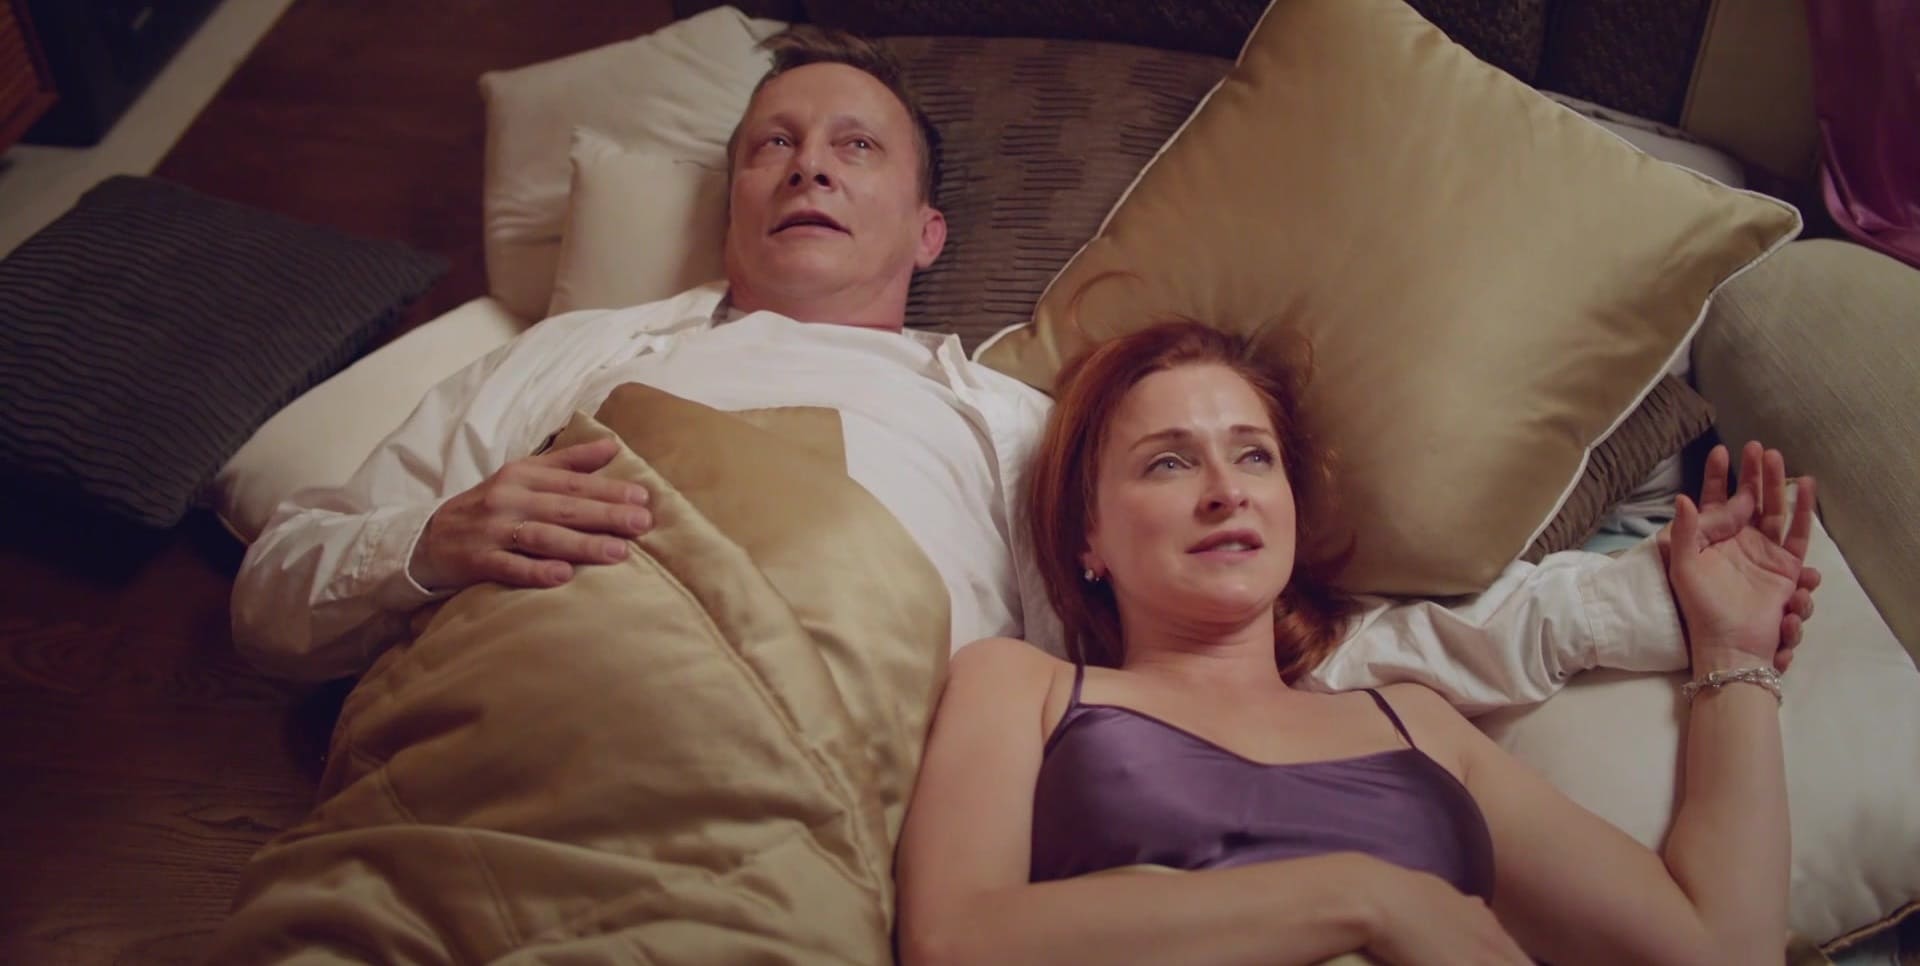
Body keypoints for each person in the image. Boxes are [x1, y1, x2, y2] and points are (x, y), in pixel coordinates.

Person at [230, 25, 1806, 722]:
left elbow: (1274, 646)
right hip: (479, 735)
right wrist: (430, 542)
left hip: (773, 777)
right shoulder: (572, 356)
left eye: (856, 147)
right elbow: (276, 594)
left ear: (926, 230)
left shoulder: (1007, 427)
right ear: (731, 202)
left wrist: (1634, 605)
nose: (808, 165)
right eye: (773, 144)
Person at [894, 320, 1820, 965]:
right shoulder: (1022, 687)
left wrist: (1733, 649)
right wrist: (1365, 898)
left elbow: (1718, 952)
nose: (1227, 490)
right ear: (1087, 537)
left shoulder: (1418, 726)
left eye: (1253, 455)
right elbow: (954, 942)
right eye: (1169, 462)